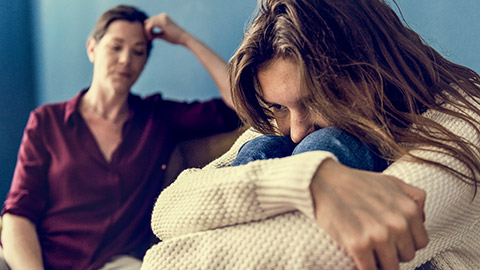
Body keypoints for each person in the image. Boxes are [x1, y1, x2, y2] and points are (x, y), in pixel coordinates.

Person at [141, 0, 480, 269]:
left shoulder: (464, 123)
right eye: (278, 107)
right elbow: (168, 210)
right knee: (267, 145)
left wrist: (162, 259)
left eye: (317, 99)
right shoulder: (287, 123)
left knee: (325, 145)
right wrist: (307, 180)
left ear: (373, 71)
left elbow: (319, 255)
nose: (297, 130)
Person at [0, 5, 240, 270]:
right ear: (92, 48)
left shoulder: (158, 118)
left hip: (117, 263)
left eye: (138, 52)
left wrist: (184, 38)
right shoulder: (47, 121)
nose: (126, 59)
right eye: (116, 47)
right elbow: (18, 214)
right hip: (35, 259)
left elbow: (239, 104)